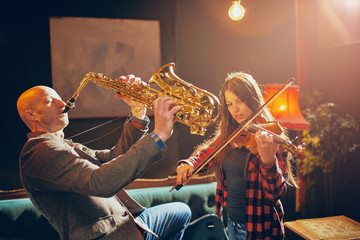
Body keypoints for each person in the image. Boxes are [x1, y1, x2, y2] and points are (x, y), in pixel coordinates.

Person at [17, 74, 191, 240]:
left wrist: (138, 110)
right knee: (181, 211)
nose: (62, 103)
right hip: (112, 235)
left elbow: (114, 158)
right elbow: (101, 182)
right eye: (49, 101)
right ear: (32, 115)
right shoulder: (39, 150)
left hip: (122, 230)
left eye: (58, 97)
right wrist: (159, 134)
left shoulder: (64, 147)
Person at [175, 72, 297, 240]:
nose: (235, 109)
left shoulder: (270, 135)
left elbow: (276, 192)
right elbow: (208, 153)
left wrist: (269, 161)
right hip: (232, 223)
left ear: (252, 98)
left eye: (240, 101)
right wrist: (189, 163)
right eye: (230, 103)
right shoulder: (231, 133)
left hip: (261, 229)